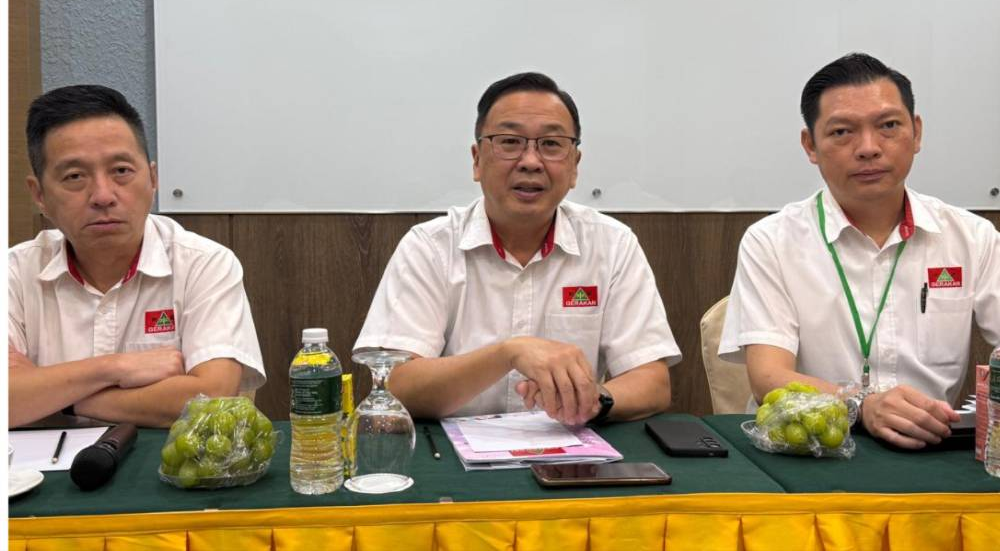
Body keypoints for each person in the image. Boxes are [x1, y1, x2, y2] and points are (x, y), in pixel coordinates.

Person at [354, 72, 680, 425]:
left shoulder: (612, 244)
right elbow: (395, 385)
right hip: (452, 459)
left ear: (574, 167)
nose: (530, 161)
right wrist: (507, 354)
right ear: (477, 160)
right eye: (510, 142)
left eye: (551, 145)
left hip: (572, 458)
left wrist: (593, 399)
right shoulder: (429, 247)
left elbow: (653, 382)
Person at [719, 53, 999, 449]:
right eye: (842, 132)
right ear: (810, 145)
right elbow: (769, 377)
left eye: (888, 126)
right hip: (811, 450)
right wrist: (861, 405)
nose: (869, 148)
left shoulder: (972, 237)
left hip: (931, 448)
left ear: (916, 133)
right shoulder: (772, 241)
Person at [8, 85, 266, 428]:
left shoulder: (203, 264)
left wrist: (55, 393)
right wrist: (116, 368)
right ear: (39, 195)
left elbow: (213, 397)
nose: (102, 195)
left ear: (153, 178)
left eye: (121, 171)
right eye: (74, 176)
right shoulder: (13, 272)